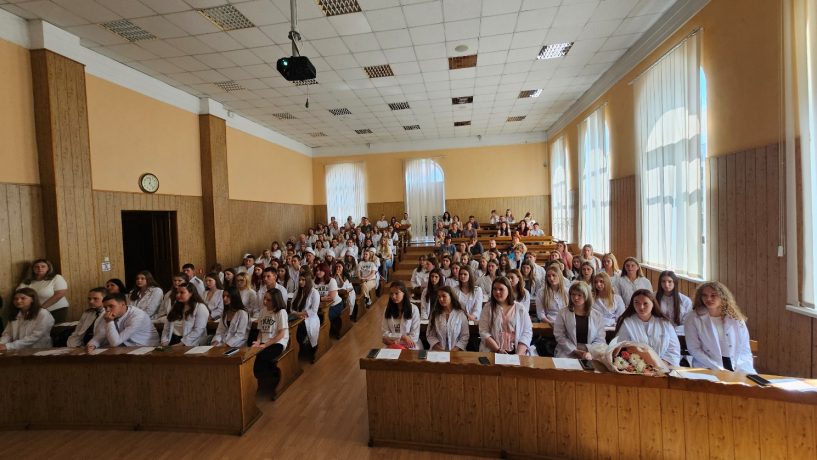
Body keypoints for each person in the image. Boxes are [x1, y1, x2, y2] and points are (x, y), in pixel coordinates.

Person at [684, 282, 755, 373]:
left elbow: (744, 348)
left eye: (713, 295)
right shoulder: (693, 318)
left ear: (722, 296)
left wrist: (743, 368)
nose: (708, 299)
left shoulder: (736, 318)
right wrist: (717, 367)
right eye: (704, 295)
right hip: (707, 365)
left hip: (737, 365)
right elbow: (694, 349)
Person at [613, 289, 681, 366]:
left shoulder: (665, 323)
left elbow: (673, 350)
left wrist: (660, 364)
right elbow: (620, 347)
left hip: (664, 366)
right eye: (636, 303)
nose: (641, 307)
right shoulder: (627, 323)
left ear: (653, 304)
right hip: (635, 367)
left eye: (645, 303)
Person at [86, 293, 160, 351]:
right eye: (105, 307)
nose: (107, 310)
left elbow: (115, 343)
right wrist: (92, 344)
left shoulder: (138, 316)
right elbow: (102, 333)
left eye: (111, 306)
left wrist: (109, 322)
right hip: (125, 346)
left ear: (123, 304)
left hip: (146, 347)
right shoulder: (108, 314)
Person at [478, 277, 532, 355]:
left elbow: (527, 332)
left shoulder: (520, 308)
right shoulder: (487, 308)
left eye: (501, 289)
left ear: (508, 290)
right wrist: (498, 350)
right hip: (493, 350)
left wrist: (518, 354)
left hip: (516, 351)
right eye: (494, 289)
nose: (497, 292)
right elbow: (484, 331)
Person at [554, 281, 606, 359]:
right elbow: (560, 335)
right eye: (573, 294)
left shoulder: (597, 315)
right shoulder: (563, 313)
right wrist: (575, 350)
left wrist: (587, 350)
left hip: (591, 352)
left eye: (579, 295)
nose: (576, 298)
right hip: (568, 351)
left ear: (586, 296)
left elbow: (600, 339)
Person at [252, 289, 290, 395]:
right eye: (264, 298)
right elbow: (260, 331)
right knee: (251, 356)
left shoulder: (281, 312)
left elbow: (281, 334)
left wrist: (265, 345)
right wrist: (258, 342)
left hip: (278, 343)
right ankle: (256, 379)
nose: (265, 301)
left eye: (268, 300)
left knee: (261, 357)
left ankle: (257, 381)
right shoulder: (263, 311)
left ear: (275, 301)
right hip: (264, 342)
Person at [17, 259, 69, 323]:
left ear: (48, 268)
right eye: (36, 267)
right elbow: (18, 293)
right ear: (32, 269)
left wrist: (40, 309)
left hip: (56, 310)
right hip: (34, 311)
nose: (39, 268)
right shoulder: (27, 281)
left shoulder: (56, 278)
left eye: (43, 266)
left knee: (54, 328)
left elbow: (59, 294)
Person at [160, 282, 209, 347]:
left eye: (182, 293)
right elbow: (167, 327)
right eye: (177, 292)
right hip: (172, 340)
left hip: (190, 343)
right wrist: (164, 341)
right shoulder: (175, 306)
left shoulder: (200, 307)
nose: (178, 295)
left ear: (191, 293)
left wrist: (182, 343)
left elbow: (198, 330)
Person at [381, 281, 422, 350]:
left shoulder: (414, 309)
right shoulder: (387, 309)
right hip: (392, 344)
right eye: (391, 294)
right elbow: (385, 333)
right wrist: (402, 337)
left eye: (396, 293)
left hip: (410, 345)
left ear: (404, 293)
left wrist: (396, 341)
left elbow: (415, 335)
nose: (393, 296)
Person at [426, 286, 469, 351]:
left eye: (444, 296)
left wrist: (456, 349)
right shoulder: (435, 314)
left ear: (451, 296)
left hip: (456, 350)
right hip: (438, 350)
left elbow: (465, 336)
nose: (441, 299)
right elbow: (430, 335)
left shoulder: (460, 314)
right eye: (439, 297)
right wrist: (438, 348)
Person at [291, 272, 320, 352]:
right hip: (296, 316)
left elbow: (314, 311)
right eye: (299, 280)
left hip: (310, 318)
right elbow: (292, 307)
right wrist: (296, 314)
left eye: (303, 280)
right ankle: (295, 349)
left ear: (308, 280)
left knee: (299, 328)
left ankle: (302, 348)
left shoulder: (314, 292)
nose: (300, 282)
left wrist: (300, 314)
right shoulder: (297, 291)